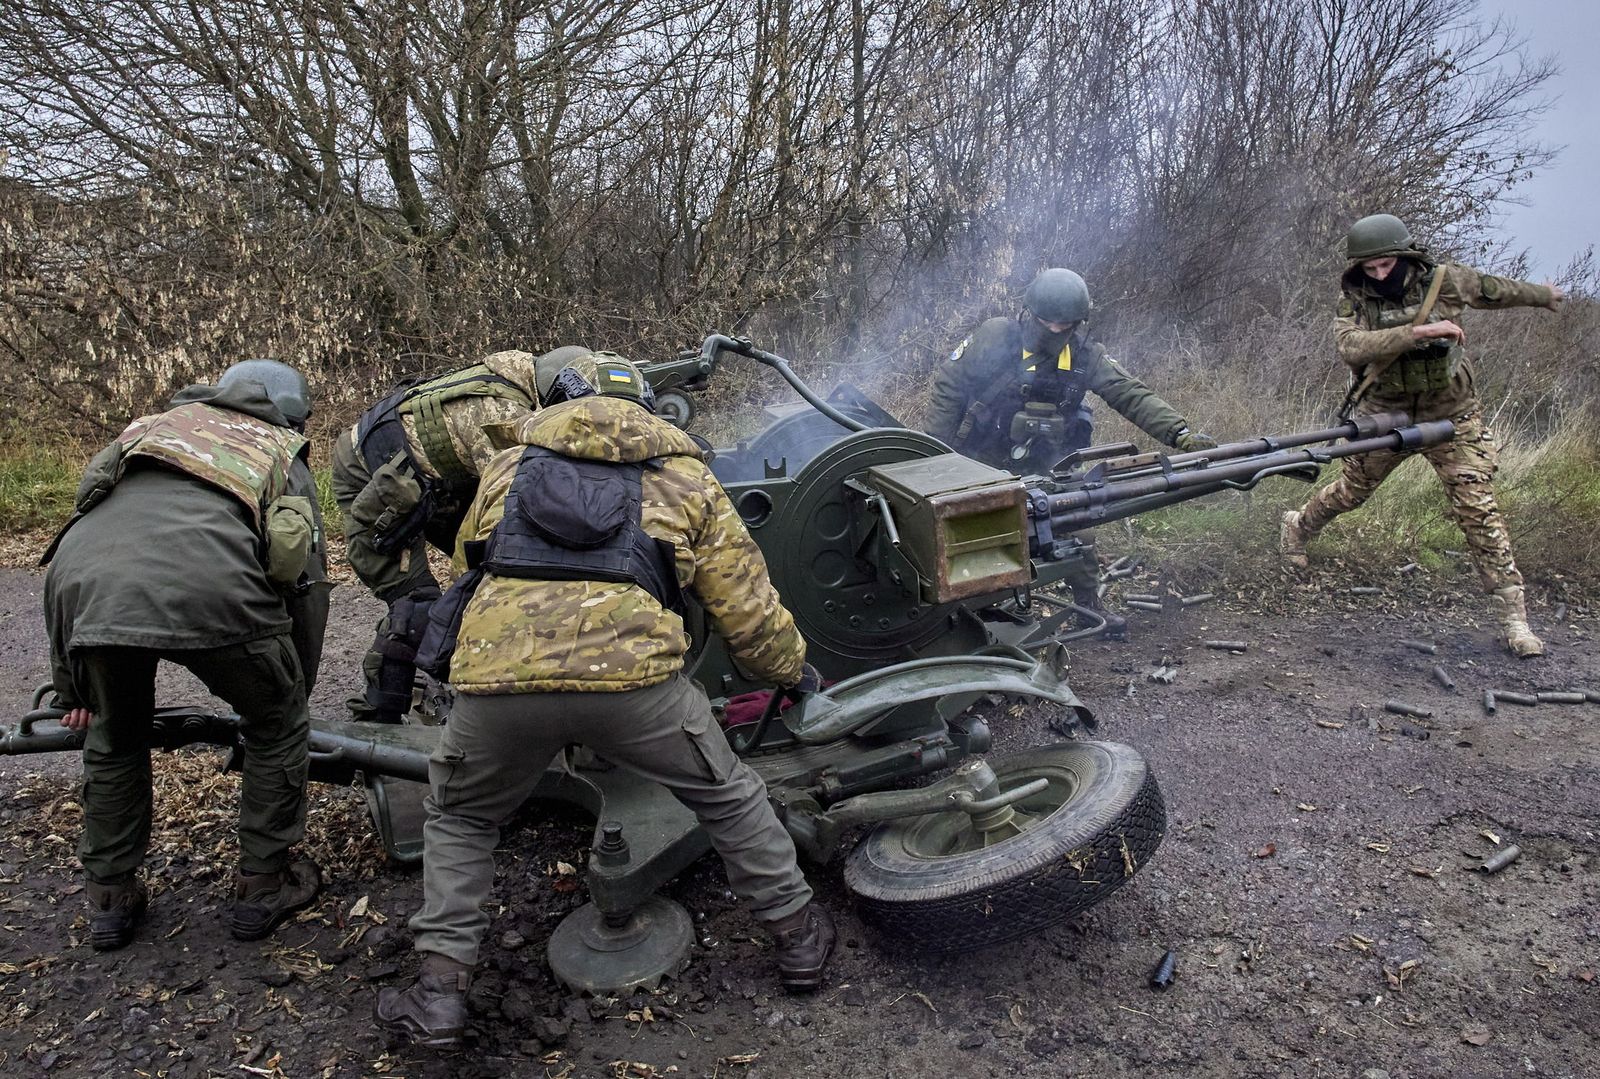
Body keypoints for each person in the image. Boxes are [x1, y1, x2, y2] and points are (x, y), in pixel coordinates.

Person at [375, 354, 833, 1048]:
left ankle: (438, 991)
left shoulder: (507, 467)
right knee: (729, 794)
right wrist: (791, 669)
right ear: (649, 405)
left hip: (500, 682)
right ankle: (799, 937)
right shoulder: (685, 474)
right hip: (635, 687)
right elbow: (747, 610)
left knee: (463, 816)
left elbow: (472, 568)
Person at [41, 359, 330, 950]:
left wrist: (74, 693)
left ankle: (109, 900)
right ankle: (263, 886)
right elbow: (302, 582)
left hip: (88, 589)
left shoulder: (148, 429)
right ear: (292, 411)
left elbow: (81, 545)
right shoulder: (279, 450)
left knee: (114, 735)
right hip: (216, 586)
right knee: (276, 728)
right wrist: (293, 685)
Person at [1280, 214, 1564, 657]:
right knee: (1352, 491)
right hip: (1385, 414)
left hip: (1452, 416)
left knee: (1477, 506)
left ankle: (1515, 617)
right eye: (1370, 268)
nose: (1379, 274)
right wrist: (1420, 333)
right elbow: (1350, 347)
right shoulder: (1354, 297)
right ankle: (1298, 526)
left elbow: (1496, 289)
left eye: (1386, 264)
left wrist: (1544, 296)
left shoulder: (1446, 282)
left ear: (1406, 256)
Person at [926, 267, 1218, 633]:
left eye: (1065, 326)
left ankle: (1089, 608)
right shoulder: (996, 337)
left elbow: (1129, 393)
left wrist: (1181, 434)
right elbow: (948, 388)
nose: (1055, 332)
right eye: (1047, 323)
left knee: (1078, 525)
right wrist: (934, 456)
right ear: (1029, 313)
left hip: (1048, 459)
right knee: (975, 536)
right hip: (981, 455)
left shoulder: (1085, 355)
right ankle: (972, 615)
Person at [331, 347, 582, 723]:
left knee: (485, 580)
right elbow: (517, 500)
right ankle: (378, 715)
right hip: (371, 479)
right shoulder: (503, 414)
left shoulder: (525, 384)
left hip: (435, 485)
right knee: (418, 605)